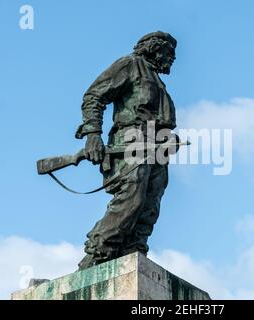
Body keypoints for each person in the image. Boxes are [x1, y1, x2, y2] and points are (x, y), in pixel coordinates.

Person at [75, 31, 178, 270]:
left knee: (150, 202)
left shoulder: (157, 80)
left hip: (157, 146)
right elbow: (94, 96)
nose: (172, 58)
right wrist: (93, 135)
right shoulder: (130, 65)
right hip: (130, 140)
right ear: (154, 47)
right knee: (132, 196)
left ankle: (134, 251)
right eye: (169, 52)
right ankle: (98, 252)